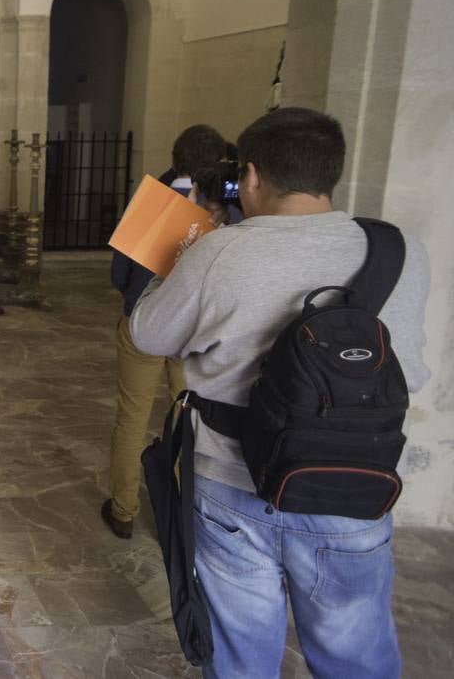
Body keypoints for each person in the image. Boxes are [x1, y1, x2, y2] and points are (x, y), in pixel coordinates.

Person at [129, 108, 430, 679]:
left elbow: (150, 332)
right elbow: (406, 369)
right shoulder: (400, 250)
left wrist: (179, 251)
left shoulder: (220, 251)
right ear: (330, 174)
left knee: (241, 656)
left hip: (234, 482)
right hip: (356, 479)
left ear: (250, 176)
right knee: (357, 655)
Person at [102, 124, 227, 539]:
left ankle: (123, 511)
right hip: (193, 331)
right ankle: (177, 509)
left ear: (175, 156)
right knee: (186, 417)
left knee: (132, 418)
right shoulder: (224, 209)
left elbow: (120, 272)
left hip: (143, 322)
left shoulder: (152, 199)